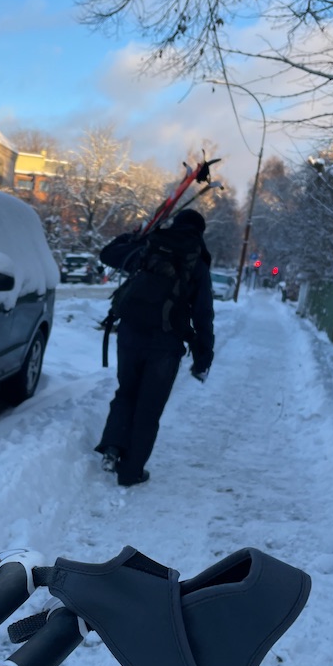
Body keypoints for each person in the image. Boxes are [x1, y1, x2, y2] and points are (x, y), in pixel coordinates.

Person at [95, 208, 215, 486]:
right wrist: (202, 358)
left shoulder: (151, 246)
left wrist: (133, 236)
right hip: (165, 343)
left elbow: (108, 255)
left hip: (130, 333)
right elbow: (203, 315)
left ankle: (112, 448)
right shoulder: (197, 263)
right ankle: (131, 471)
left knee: (126, 393)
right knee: (149, 407)